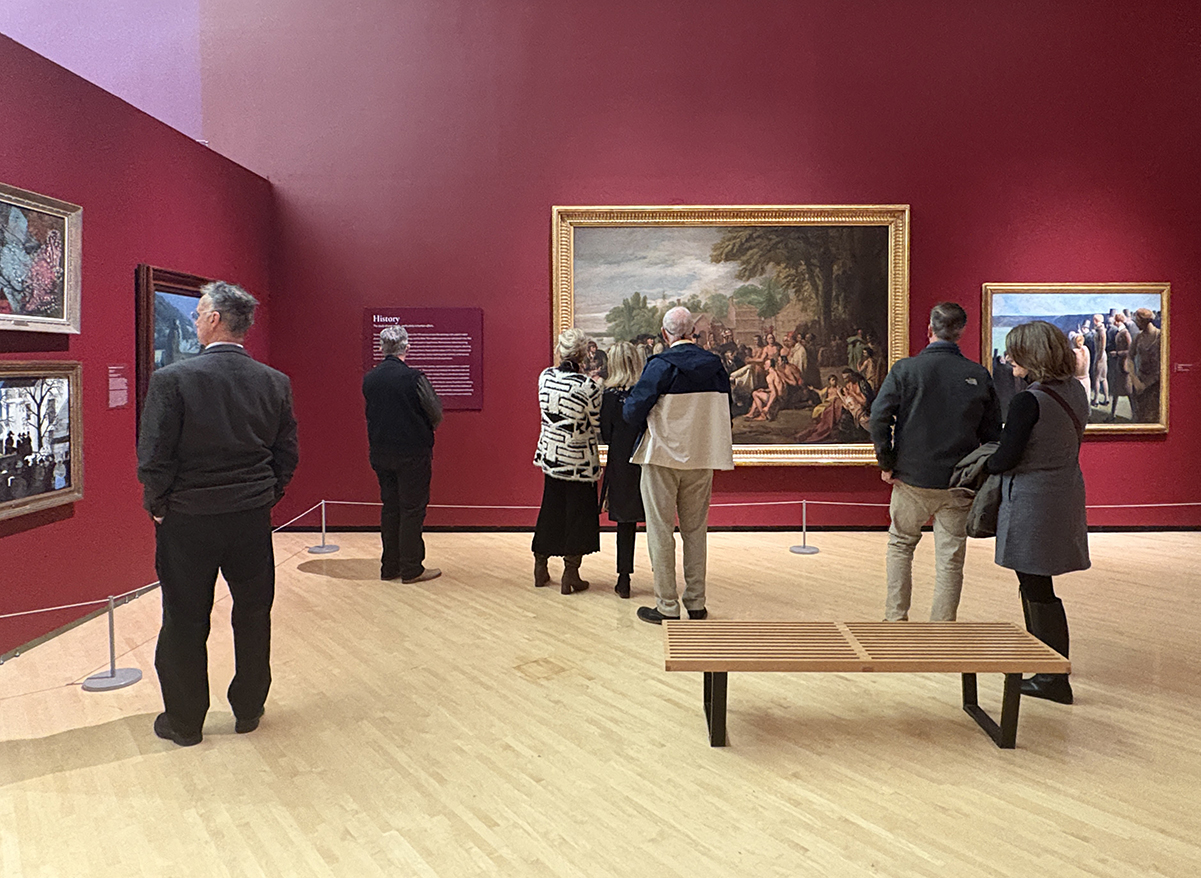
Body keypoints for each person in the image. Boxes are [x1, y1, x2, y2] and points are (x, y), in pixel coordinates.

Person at [137, 281, 299, 747]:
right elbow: (286, 453)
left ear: (213, 319)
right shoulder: (274, 381)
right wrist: (266, 495)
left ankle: (185, 722)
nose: (194, 321)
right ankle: (248, 708)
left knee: (185, 619)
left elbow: (154, 456)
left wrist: (159, 506)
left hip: (189, 518)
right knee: (254, 614)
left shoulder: (173, 380)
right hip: (250, 517)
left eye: (198, 314)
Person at [869, 302, 1002, 622]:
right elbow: (992, 435)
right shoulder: (978, 374)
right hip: (958, 483)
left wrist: (887, 462)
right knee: (950, 560)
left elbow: (878, 417)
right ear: (961, 333)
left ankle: (895, 619)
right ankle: (942, 629)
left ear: (929, 329)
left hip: (911, 477)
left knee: (901, 546)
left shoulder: (905, 370)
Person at [984, 320, 1089, 704]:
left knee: (1036, 586)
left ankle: (1052, 677)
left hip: (1033, 501)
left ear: (1033, 355)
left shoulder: (1029, 400)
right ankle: (1046, 667)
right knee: (1039, 585)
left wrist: (984, 460)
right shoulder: (1074, 390)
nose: (1009, 358)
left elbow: (1005, 459)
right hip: (1063, 492)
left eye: (1016, 352)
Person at [623, 306, 734, 624]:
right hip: (701, 455)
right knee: (696, 531)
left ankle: (667, 606)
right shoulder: (715, 366)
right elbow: (727, 411)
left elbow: (632, 412)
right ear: (692, 332)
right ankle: (696, 603)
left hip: (661, 456)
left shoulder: (660, 365)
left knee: (660, 531)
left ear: (664, 334)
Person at [362, 325, 443, 584]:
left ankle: (390, 566)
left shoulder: (370, 379)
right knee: (412, 509)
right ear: (407, 347)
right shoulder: (414, 378)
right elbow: (435, 412)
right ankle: (411, 567)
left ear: (381, 348)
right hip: (412, 452)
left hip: (381, 451)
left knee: (390, 508)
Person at [532, 328, 602, 594]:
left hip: (551, 454)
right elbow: (596, 423)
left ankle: (540, 566)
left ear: (560, 351)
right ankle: (570, 573)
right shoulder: (589, 386)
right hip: (578, 460)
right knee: (578, 514)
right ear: (583, 354)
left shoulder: (545, 377)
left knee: (550, 508)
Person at [599, 342, 647, 599]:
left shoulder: (608, 396)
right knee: (657, 521)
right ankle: (663, 577)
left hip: (620, 460)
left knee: (625, 523)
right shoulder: (645, 393)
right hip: (646, 458)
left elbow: (606, 433)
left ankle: (624, 578)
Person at [1128, 307, 1161, 423]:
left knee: (1153, 417)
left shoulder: (1160, 336)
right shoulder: (1138, 337)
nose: (1136, 324)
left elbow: (1164, 365)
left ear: (1144, 321)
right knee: (1139, 416)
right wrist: (1135, 380)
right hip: (1139, 382)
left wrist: (1146, 384)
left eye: (1137, 321)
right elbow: (1129, 358)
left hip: (1155, 384)